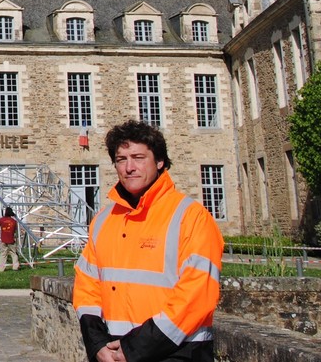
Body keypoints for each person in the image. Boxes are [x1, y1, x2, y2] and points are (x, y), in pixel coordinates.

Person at [72, 120, 223, 362]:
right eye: (121, 159)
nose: (129, 167)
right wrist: (97, 342)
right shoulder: (103, 220)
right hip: (113, 352)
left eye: (138, 157)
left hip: (175, 352)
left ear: (160, 161)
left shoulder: (191, 217)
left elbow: (196, 295)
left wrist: (134, 348)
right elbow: (87, 287)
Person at [0, 205, 21, 272]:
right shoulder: (14, 221)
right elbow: (16, 231)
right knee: (13, 253)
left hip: (3, 239)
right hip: (11, 240)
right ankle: (15, 267)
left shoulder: (1, 220)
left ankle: (1, 269)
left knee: (3, 254)